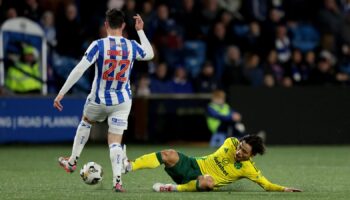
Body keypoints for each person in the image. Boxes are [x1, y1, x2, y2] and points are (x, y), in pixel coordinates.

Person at [53, 9, 154, 192]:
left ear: (106, 25)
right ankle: (117, 181)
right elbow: (149, 54)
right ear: (123, 25)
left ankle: (72, 161)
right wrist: (140, 30)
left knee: (86, 121)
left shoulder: (98, 45)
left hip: (98, 99)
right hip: (122, 101)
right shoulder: (131, 46)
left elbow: (79, 70)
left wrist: (61, 93)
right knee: (115, 141)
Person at [123, 135, 302, 192]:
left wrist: (284, 189)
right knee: (168, 154)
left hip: (200, 180)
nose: (238, 151)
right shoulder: (230, 142)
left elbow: (267, 185)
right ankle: (129, 166)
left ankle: (170, 188)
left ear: (252, 155)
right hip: (191, 164)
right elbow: (234, 144)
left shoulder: (249, 169)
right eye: (240, 147)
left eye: (244, 152)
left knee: (209, 182)